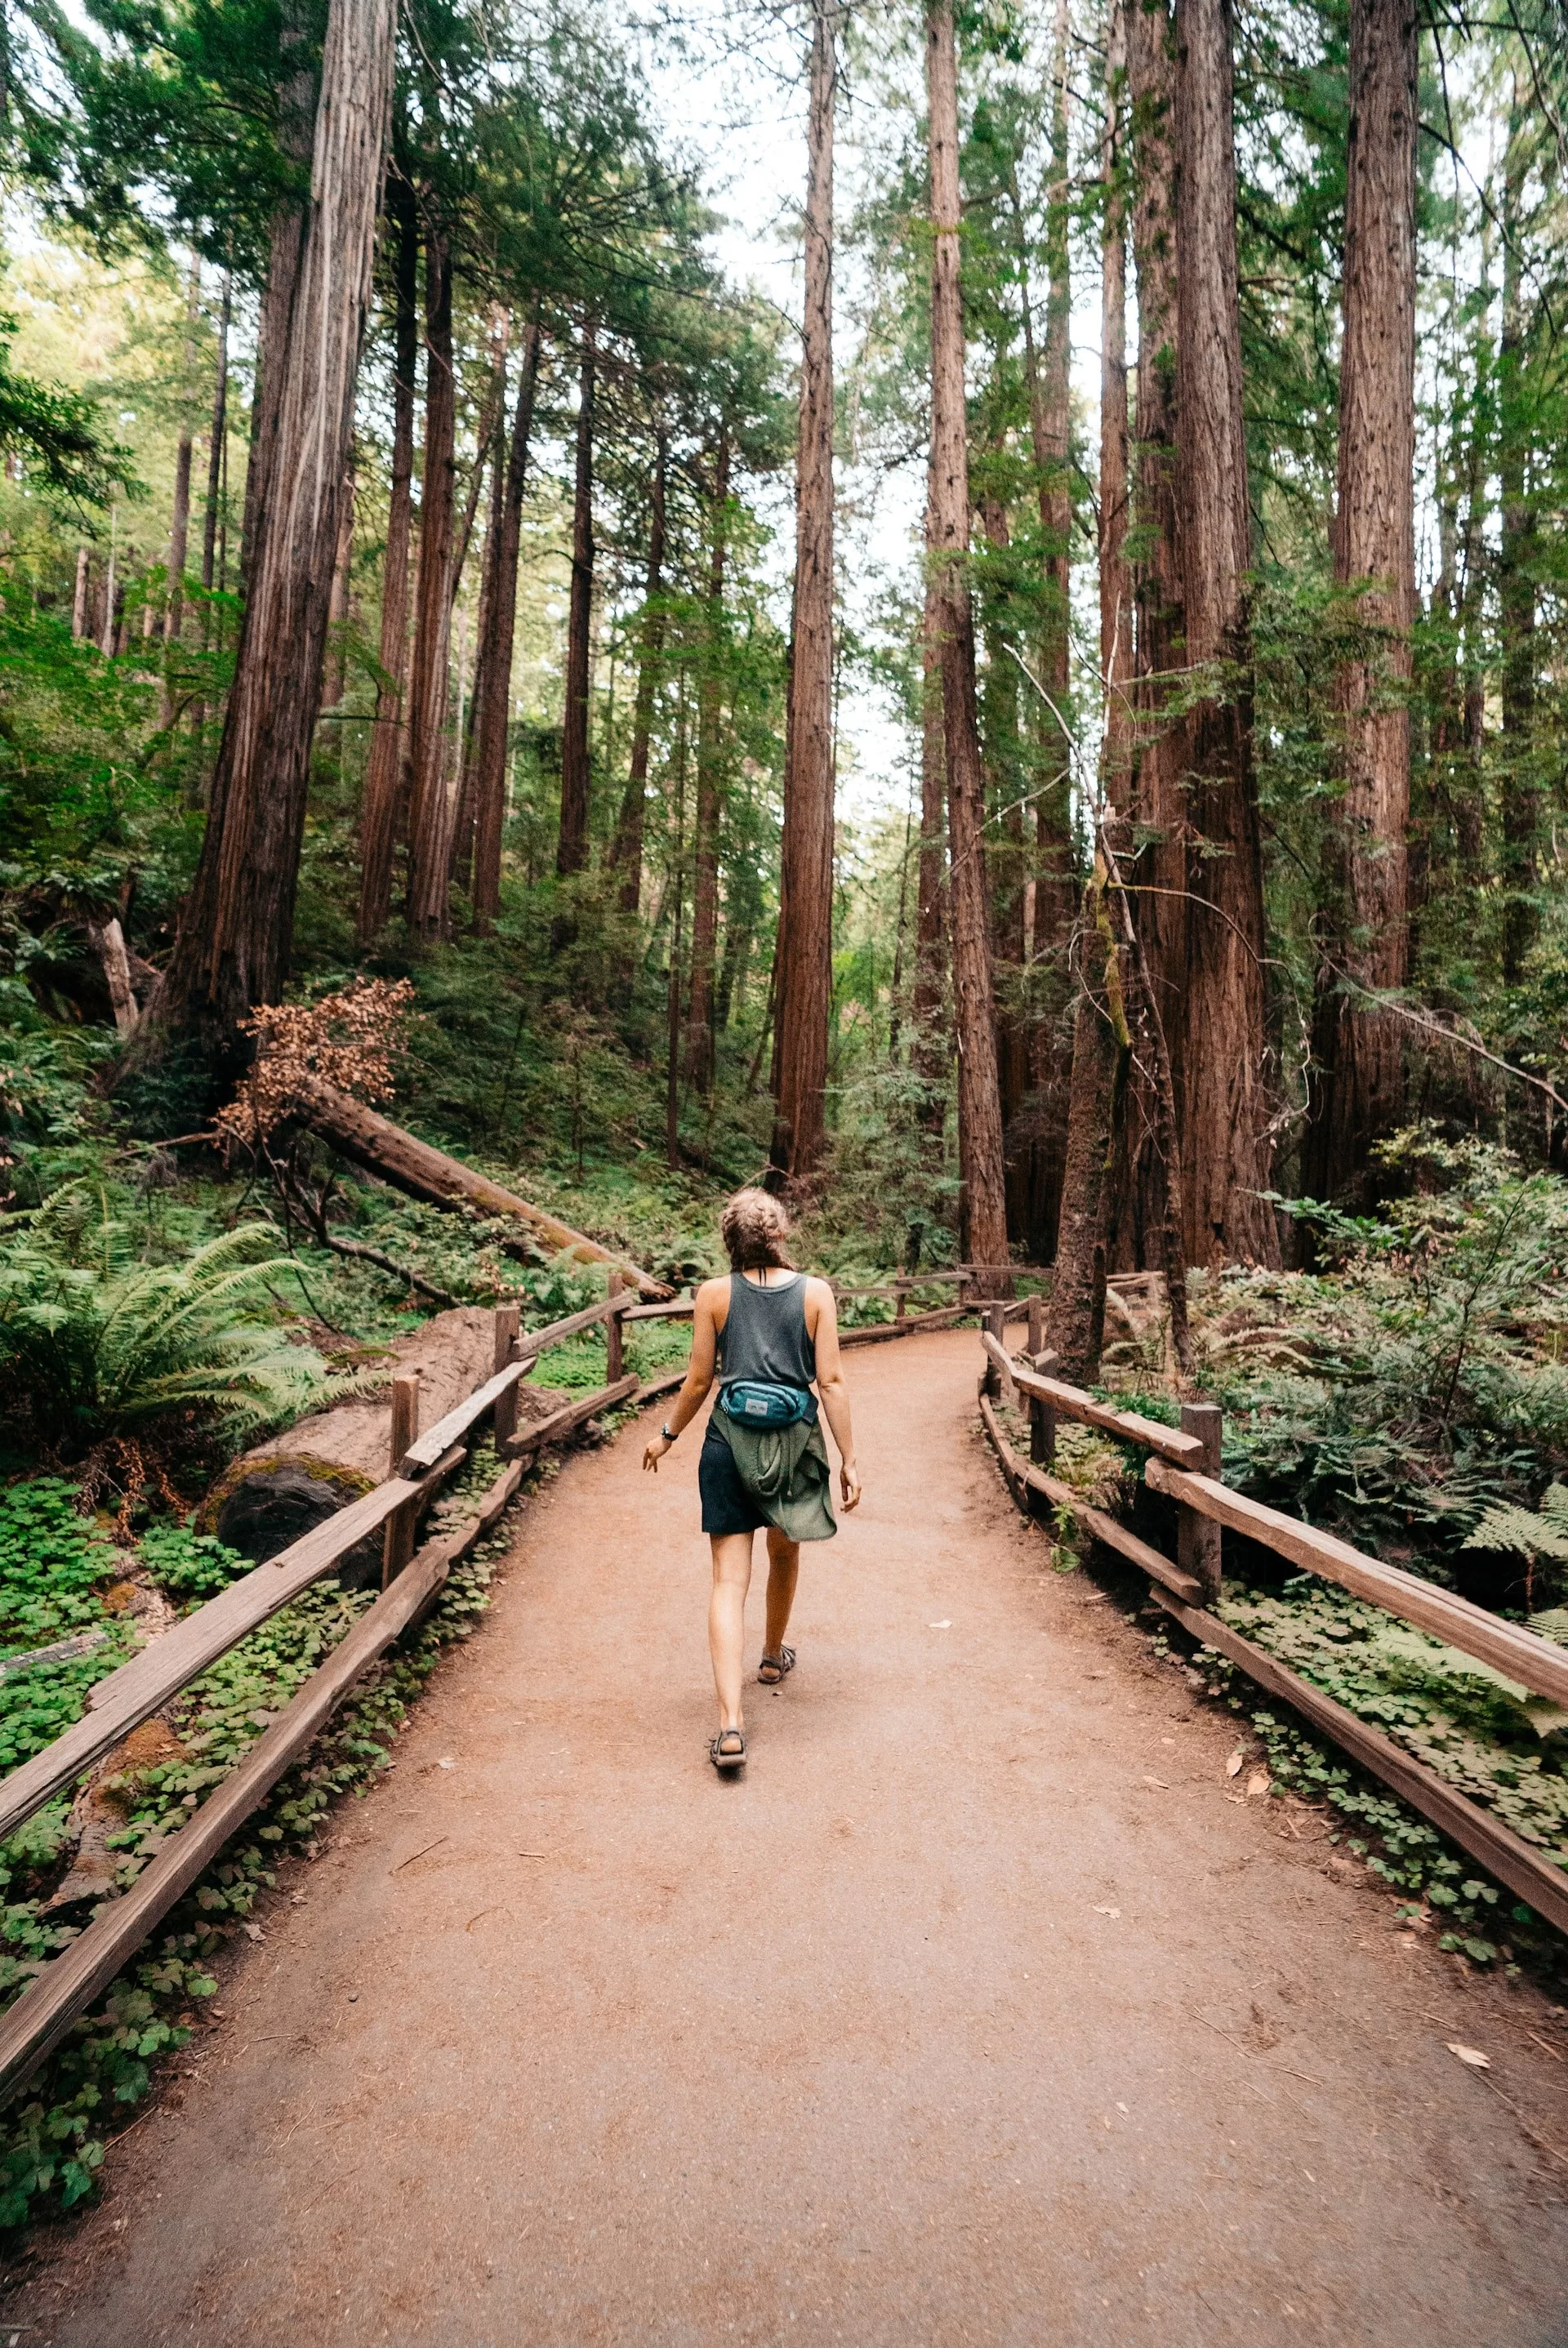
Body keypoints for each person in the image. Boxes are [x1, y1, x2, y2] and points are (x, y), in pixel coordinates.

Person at [643, 1187, 861, 1771]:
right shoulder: (816, 1294)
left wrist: (665, 1436)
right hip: (793, 1450)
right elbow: (832, 1382)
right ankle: (770, 1656)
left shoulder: (714, 1294)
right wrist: (849, 1458)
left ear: (729, 1239)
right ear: (780, 1234)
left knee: (726, 1581)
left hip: (727, 1446)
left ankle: (730, 1725)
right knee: (784, 1550)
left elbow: (696, 1382)